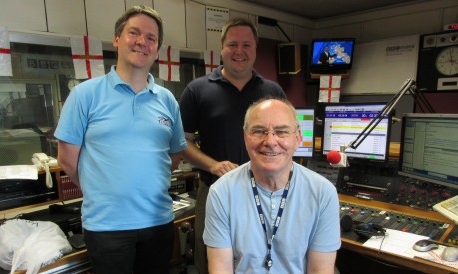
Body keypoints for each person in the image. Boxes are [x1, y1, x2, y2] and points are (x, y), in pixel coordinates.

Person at [54, 5, 186, 274]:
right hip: (107, 227)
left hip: (158, 222)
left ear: (157, 49)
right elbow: (67, 160)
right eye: (133, 33)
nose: (142, 42)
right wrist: (104, 189)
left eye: (151, 38)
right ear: (117, 39)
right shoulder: (85, 95)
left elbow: (173, 156)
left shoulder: (168, 100)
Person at [179, 17, 286, 273]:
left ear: (256, 49)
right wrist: (213, 165)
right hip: (214, 191)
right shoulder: (197, 90)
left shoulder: (272, 91)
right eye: (233, 44)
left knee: (264, 258)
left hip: (267, 195)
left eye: (247, 45)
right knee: (210, 260)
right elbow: (182, 141)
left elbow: (286, 138)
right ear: (222, 48)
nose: (240, 51)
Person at [203, 98, 340, 274]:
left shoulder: (323, 193)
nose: (270, 141)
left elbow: (320, 270)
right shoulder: (221, 192)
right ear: (245, 138)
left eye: (281, 132)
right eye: (259, 131)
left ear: (298, 138)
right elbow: (220, 269)